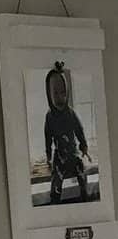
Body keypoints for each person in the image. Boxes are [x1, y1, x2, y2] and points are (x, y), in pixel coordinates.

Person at [44, 66, 90, 204]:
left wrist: (84, 146)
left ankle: (85, 199)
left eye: (63, 93)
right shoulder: (49, 117)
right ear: (49, 94)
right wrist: (48, 156)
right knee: (56, 180)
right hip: (60, 156)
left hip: (73, 152)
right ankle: (55, 202)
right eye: (55, 93)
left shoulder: (71, 113)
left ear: (67, 93)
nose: (60, 97)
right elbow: (48, 138)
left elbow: (79, 130)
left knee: (82, 174)